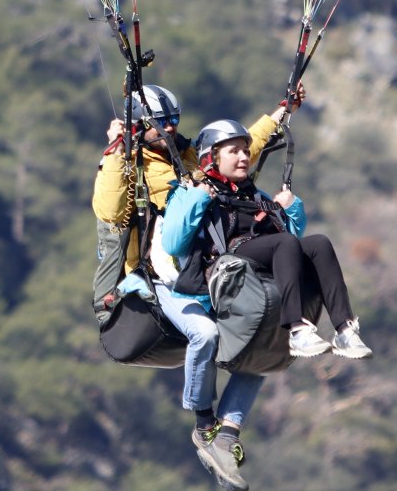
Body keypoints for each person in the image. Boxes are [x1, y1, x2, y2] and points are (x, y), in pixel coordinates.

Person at [91, 84, 304, 491]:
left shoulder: (188, 157)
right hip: (160, 278)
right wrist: (118, 149)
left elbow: (239, 150)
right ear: (140, 126)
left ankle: (227, 436)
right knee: (204, 334)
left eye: (174, 120)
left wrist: (281, 113)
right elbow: (109, 210)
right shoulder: (132, 165)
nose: (170, 128)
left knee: (266, 338)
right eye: (161, 123)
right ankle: (205, 425)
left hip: (205, 273)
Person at [162, 119, 373, 362]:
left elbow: (291, 241)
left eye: (245, 150)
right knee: (284, 243)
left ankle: (344, 330)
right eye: (234, 151)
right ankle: (297, 329)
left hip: (264, 254)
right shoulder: (189, 192)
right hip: (226, 261)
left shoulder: (253, 195)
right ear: (212, 158)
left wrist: (291, 207)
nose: (243, 157)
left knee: (319, 244)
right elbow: (173, 243)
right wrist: (198, 198)